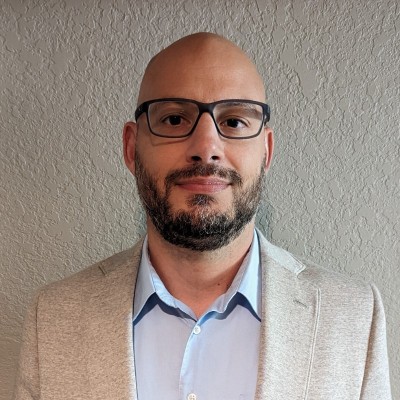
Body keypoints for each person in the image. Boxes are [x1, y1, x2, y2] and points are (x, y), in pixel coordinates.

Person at [14, 32, 392, 400]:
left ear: (266, 151)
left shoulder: (353, 317)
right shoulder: (53, 319)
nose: (206, 147)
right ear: (132, 148)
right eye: (174, 119)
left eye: (234, 122)